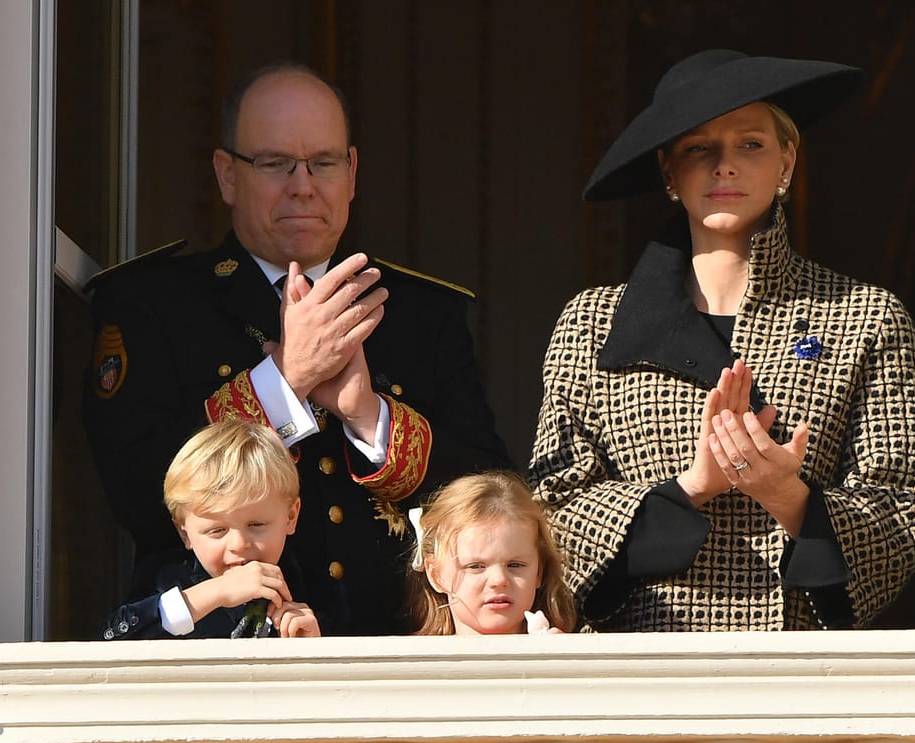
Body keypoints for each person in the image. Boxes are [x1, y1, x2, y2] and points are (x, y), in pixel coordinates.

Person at [84, 63, 511, 636]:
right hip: (228, 657)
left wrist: (369, 417)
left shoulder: (420, 312)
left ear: (353, 172)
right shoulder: (152, 304)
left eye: (324, 163)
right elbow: (138, 492)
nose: (303, 184)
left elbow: (496, 501)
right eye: (274, 163)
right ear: (227, 175)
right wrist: (284, 380)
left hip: (397, 650)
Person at [528, 49, 915, 632]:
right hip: (634, 671)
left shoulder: (867, 318)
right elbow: (548, 512)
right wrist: (694, 485)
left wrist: (789, 497)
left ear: (787, 163)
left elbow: (906, 508)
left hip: (799, 677)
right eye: (700, 148)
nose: (726, 166)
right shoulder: (590, 322)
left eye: (751, 144)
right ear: (669, 171)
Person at [101, 420, 319, 639]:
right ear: (185, 533)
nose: (239, 544)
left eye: (256, 525)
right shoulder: (164, 578)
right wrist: (217, 592)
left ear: (291, 517)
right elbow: (112, 638)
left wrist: (315, 647)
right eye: (217, 530)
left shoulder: (309, 580)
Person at [408, 472, 576, 635]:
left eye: (515, 565)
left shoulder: (567, 658)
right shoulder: (412, 662)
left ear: (539, 571)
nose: (499, 580)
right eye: (475, 566)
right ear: (436, 575)